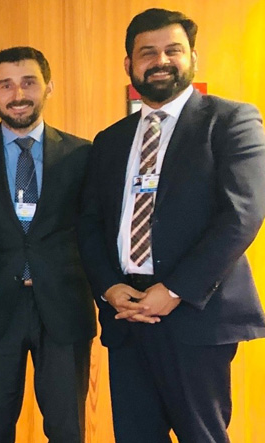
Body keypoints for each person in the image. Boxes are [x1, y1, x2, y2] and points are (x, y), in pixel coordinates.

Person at [78, 8, 265, 442]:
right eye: (147, 52)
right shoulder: (110, 140)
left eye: (172, 50)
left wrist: (175, 290)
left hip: (196, 317)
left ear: (192, 58)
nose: (160, 60)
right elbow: (89, 223)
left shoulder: (231, 121)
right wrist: (108, 287)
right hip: (127, 314)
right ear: (129, 65)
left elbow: (242, 214)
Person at [0, 46, 95, 443]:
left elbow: (96, 230)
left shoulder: (83, 154)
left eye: (28, 82)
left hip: (64, 307)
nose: (17, 94)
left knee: (67, 428)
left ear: (48, 86)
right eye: (5, 84)